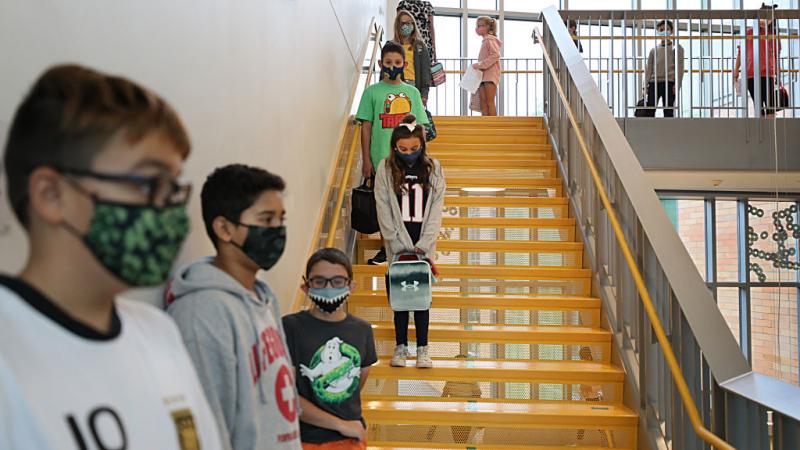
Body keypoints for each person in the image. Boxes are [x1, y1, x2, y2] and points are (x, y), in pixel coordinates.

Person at [0, 64, 222, 449]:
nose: (169, 211)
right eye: (149, 183)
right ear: (52, 195)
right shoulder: (11, 353)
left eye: (173, 189)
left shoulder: (157, 333)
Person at [166, 164, 301, 449]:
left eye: (281, 220)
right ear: (224, 228)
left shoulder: (265, 299)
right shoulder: (200, 312)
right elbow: (209, 427)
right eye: (266, 220)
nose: (277, 231)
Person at [283, 248, 378, 450]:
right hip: (304, 440)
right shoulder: (289, 327)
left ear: (351, 286)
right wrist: (340, 425)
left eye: (337, 281)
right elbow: (286, 395)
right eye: (319, 281)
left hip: (350, 441)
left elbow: (355, 384)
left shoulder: (363, 330)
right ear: (306, 287)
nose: (328, 287)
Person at [374, 114, 445, 369]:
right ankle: (401, 347)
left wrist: (424, 243)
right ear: (394, 147)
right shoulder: (385, 168)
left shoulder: (433, 168)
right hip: (397, 245)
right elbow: (382, 207)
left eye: (414, 149)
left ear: (422, 146)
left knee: (422, 298)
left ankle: (423, 349)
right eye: (403, 149)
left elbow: (436, 208)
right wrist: (395, 241)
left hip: (423, 244)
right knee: (400, 298)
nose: (408, 153)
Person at [356, 40, 428, 265]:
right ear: (380, 63)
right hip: (381, 161)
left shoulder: (412, 93)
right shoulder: (371, 93)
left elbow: (421, 128)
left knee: (406, 205)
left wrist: (422, 158)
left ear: (404, 64)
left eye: (397, 62)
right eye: (388, 62)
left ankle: (406, 247)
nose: (393, 65)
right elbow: (366, 126)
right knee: (385, 206)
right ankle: (385, 249)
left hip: (410, 160)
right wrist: (366, 160)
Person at [734, 3, 782, 118]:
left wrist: (778, 74)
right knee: (758, 107)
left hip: (768, 73)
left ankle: (770, 134)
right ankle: (761, 134)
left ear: (772, 20)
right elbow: (741, 53)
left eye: (768, 18)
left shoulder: (773, 35)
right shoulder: (749, 33)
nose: (764, 21)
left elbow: (776, 56)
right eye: (762, 17)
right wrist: (736, 70)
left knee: (770, 108)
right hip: (751, 74)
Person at [643, 19, 684, 118]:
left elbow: (680, 68)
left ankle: (669, 133)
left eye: (666, 29)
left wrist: (677, 84)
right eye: (661, 29)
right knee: (650, 111)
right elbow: (649, 69)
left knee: (669, 111)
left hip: (669, 82)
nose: (663, 31)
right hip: (654, 83)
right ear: (657, 31)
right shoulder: (653, 50)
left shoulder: (677, 48)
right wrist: (645, 85)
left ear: (672, 31)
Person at [396, 10, 432, 105]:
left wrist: (424, 94)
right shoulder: (392, 45)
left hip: (414, 85)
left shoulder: (419, 46)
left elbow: (425, 71)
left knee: (412, 117)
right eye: (403, 23)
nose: (407, 25)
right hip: (396, 85)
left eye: (410, 23)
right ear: (398, 25)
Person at [472, 16, 503, 117]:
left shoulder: (490, 40)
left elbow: (495, 55)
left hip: (490, 76)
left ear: (488, 27)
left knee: (489, 102)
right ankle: (485, 124)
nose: (478, 28)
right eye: (477, 26)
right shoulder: (486, 41)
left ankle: (493, 126)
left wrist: (480, 64)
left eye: (481, 26)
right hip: (483, 76)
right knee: (483, 102)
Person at [397, 0, 437, 66]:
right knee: (409, 68)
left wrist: (434, 51)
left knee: (424, 72)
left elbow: (431, 28)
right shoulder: (403, 4)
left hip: (425, 45)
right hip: (408, 44)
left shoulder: (428, 5)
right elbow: (398, 25)